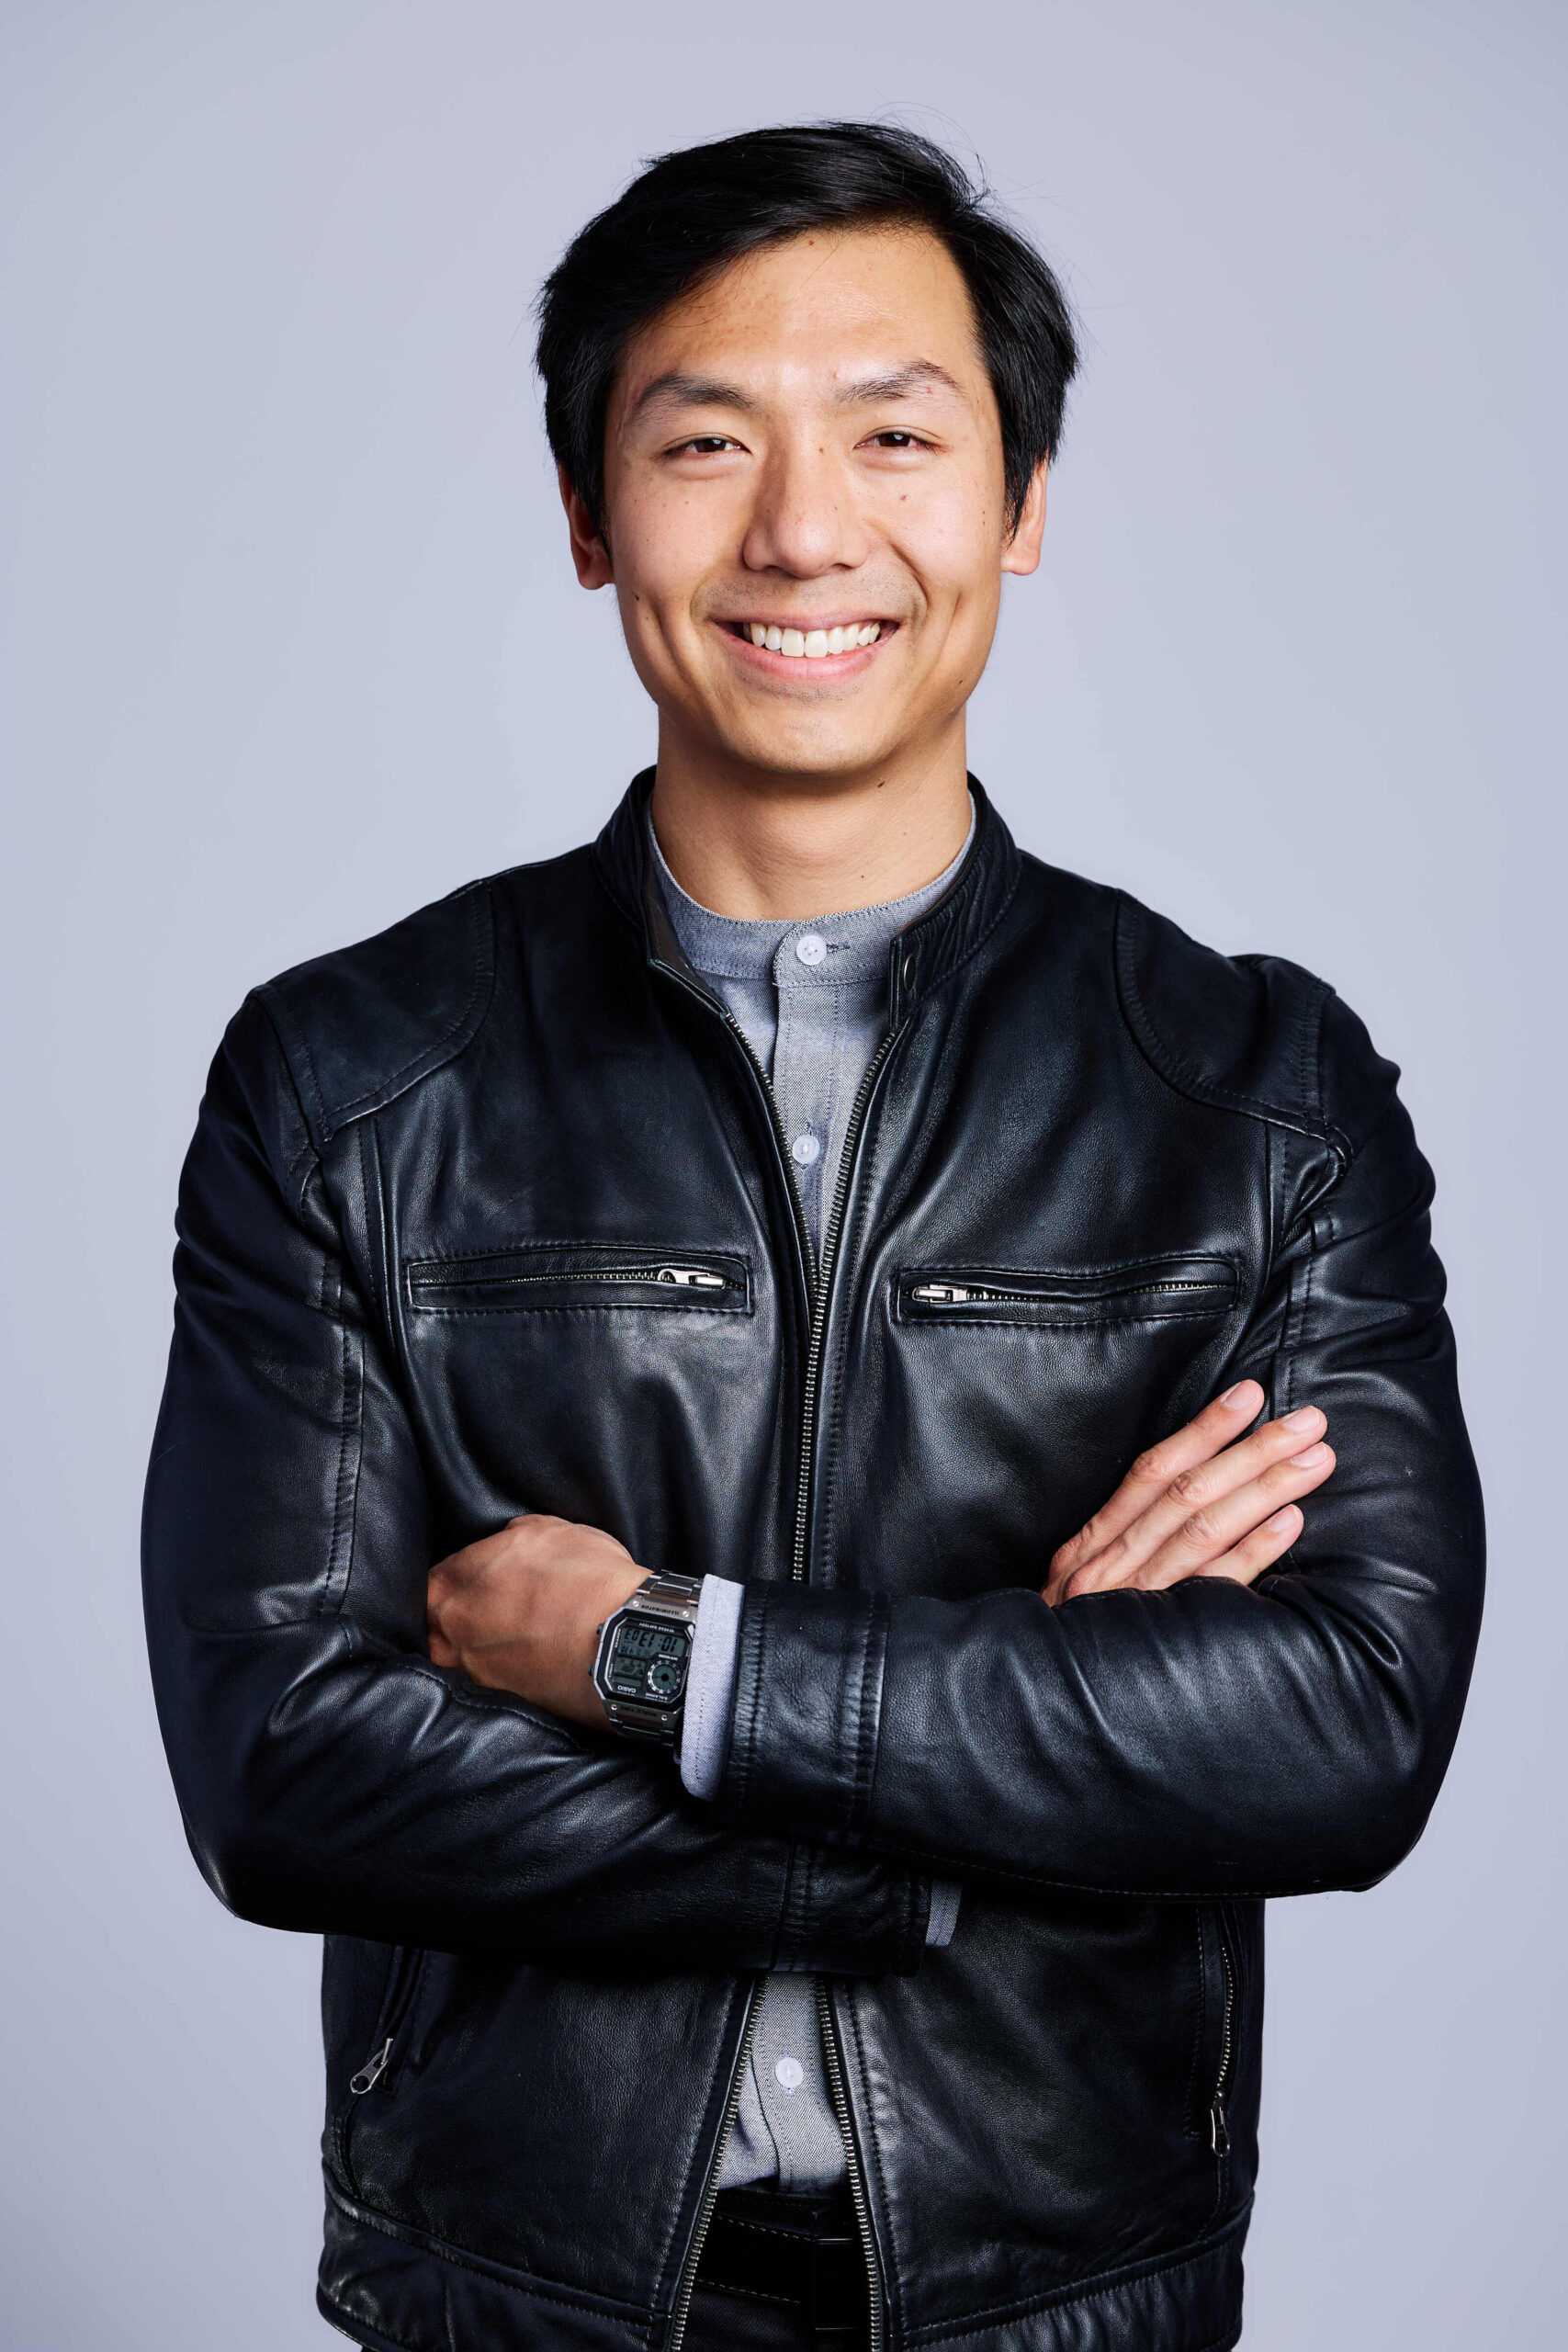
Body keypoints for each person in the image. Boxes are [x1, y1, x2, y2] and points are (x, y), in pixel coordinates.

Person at [142, 122, 1483, 2352]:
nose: (799, 530)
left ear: (1018, 503)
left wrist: (660, 1653)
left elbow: (1346, 1722)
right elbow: (281, 1759)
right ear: (588, 516)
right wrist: (999, 1777)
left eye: (891, 434)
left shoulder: (1251, 1095)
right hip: (516, 2298)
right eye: (703, 440)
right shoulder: (352, 1078)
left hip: (1068, 2296)